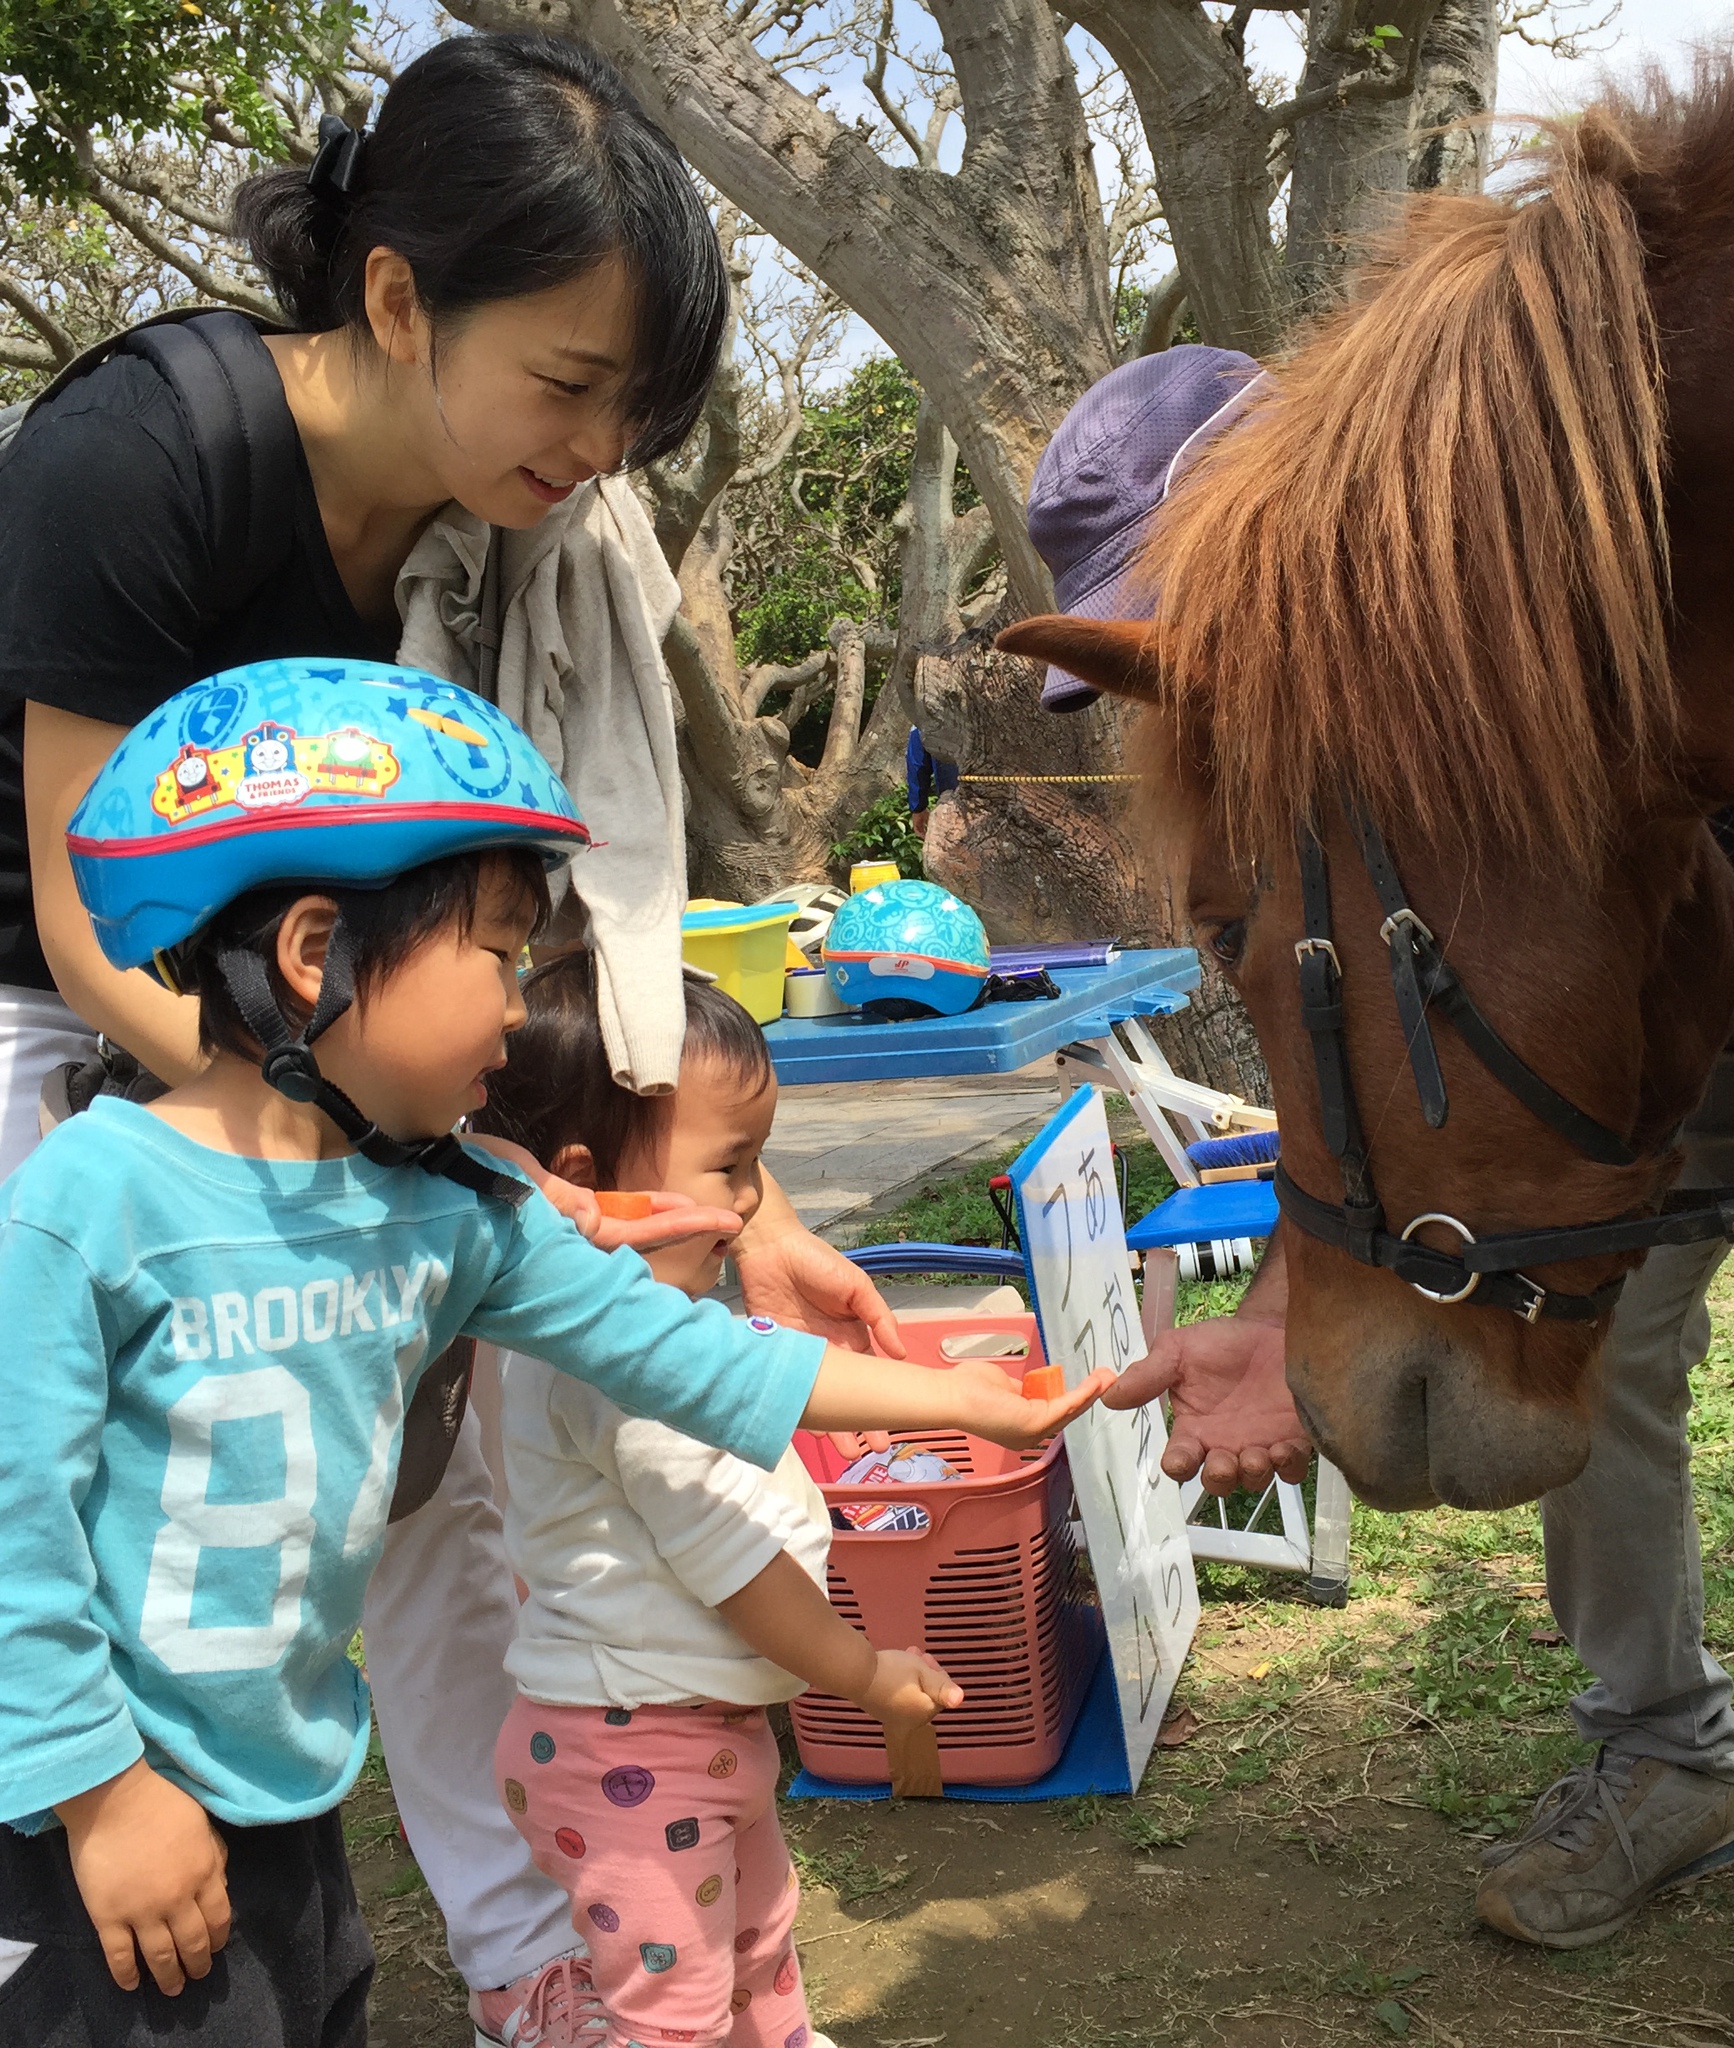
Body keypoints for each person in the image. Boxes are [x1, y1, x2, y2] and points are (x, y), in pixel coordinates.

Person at [0, 34, 915, 2046]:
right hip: (90, 1032)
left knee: (433, 1506)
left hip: (344, 1069)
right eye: (570, 384)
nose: (596, 449)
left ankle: (530, 1976)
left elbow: (544, 962)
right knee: (121, 1501)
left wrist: (696, 1201)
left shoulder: (494, 530)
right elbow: (85, 912)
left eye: (633, 408)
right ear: (397, 296)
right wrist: (353, 1147)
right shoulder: (138, 457)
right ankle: (92, 1855)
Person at [1028, 351, 1734, 2048]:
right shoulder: (1330, 757)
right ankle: (1657, 1752)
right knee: (1595, 1336)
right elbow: (1358, 1049)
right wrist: (1288, 1298)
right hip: (1664, 986)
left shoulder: (1649, 554)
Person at [0, 663, 1103, 2048]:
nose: (519, 1009)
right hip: (93, 1798)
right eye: (498, 954)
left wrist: (965, 1399)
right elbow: (13, 1527)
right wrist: (102, 1796)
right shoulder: (89, 1200)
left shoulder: (452, 1210)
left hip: (287, 1785)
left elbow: (693, 1360)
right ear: (313, 952)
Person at [476, 959, 959, 2048]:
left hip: (681, 1729)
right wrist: (863, 1670)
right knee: (673, 2011)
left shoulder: (656, 1327)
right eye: (730, 1166)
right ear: (586, 1179)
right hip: (630, 1755)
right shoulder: (619, 1367)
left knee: (756, 1935)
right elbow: (734, 1566)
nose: (748, 1203)